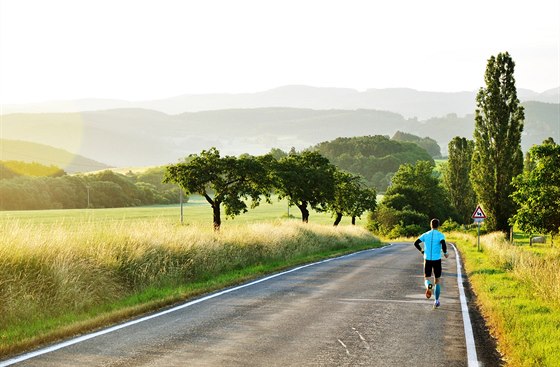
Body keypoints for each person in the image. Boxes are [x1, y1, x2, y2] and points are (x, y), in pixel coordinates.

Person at [414, 218, 448, 309]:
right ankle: (436, 301)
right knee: (437, 281)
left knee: (426, 278)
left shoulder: (426, 234)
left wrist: (422, 250)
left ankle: (428, 286)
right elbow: (443, 244)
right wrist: (445, 253)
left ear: (430, 225)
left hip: (427, 259)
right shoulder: (441, 235)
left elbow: (416, 243)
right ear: (438, 225)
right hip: (437, 260)